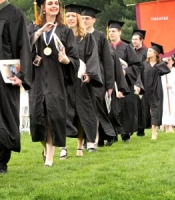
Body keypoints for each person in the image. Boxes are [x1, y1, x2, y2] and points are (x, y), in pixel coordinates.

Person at [0, 0, 32, 175]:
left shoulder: (15, 14)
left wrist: (22, 75)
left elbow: (24, 46)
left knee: (4, 118)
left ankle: (1, 163)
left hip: (7, 77)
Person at [27, 0, 79, 167]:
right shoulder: (33, 28)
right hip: (37, 79)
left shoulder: (65, 31)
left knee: (52, 118)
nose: (54, 6)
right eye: (50, 3)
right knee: (37, 118)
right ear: (42, 7)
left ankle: (49, 159)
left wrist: (65, 60)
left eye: (56, 3)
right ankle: (45, 148)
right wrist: (39, 32)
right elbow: (23, 49)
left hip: (57, 80)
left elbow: (74, 58)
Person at [60, 4, 102, 158]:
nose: (70, 18)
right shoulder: (60, 35)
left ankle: (80, 147)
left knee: (82, 113)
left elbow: (93, 57)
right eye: (68, 16)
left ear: (78, 18)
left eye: (73, 16)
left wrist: (90, 74)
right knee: (63, 113)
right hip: (64, 80)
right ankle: (62, 147)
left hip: (82, 80)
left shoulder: (87, 37)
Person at [81, 6, 114, 151]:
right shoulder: (77, 35)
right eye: (82, 18)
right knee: (83, 110)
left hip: (97, 78)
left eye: (87, 18)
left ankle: (94, 140)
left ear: (94, 20)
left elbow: (107, 61)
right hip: (81, 77)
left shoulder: (100, 36)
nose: (84, 21)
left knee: (96, 109)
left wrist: (109, 84)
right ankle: (85, 140)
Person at [108, 20, 144, 142]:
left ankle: (125, 133)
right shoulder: (106, 47)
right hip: (110, 83)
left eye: (113, 31)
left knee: (125, 109)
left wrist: (125, 71)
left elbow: (137, 65)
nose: (111, 33)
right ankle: (111, 135)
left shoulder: (127, 47)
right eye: (109, 31)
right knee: (111, 109)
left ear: (119, 32)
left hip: (125, 83)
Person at [143, 43, 170, 140]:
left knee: (155, 110)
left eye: (150, 51)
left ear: (155, 53)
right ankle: (148, 128)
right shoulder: (144, 64)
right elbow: (140, 76)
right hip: (146, 90)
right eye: (147, 51)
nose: (147, 52)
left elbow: (167, 70)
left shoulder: (159, 64)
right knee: (147, 111)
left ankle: (154, 132)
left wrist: (161, 64)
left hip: (156, 90)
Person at [131, 29, 148, 136]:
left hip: (143, 79)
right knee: (132, 104)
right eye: (132, 39)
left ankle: (141, 128)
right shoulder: (130, 50)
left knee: (142, 105)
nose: (134, 41)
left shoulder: (146, 52)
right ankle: (132, 126)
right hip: (132, 78)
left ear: (141, 40)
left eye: (136, 39)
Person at [161, 56, 175, 133]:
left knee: (172, 109)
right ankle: (166, 126)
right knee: (165, 109)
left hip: (173, 94)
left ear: (173, 62)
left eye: (169, 60)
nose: (167, 62)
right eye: (166, 61)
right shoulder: (162, 72)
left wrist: (171, 86)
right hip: (164, 94)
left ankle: (170, 126)